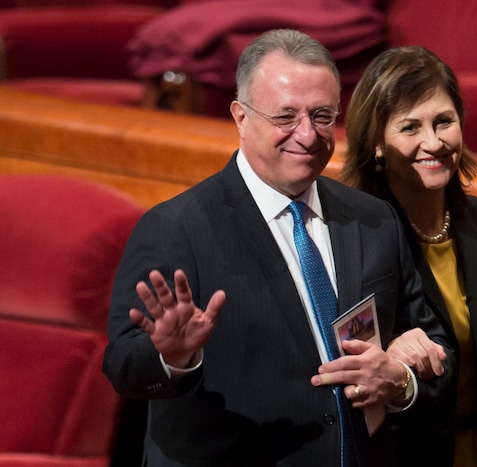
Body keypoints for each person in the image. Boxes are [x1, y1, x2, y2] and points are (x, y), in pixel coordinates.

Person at [102, 30, 454, 467]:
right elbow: (122, 366)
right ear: (241, 117)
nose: (307, 135)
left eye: (322, 116)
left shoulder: (374, 219)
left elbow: (432, 347)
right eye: (285, 117)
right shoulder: (176, 228)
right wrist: (173, 357)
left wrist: (400, 381)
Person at [342, 46, 477, 467]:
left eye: (443, 121)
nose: (434, 142)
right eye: (410, 127)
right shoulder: (357, 239)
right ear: (376, 143)